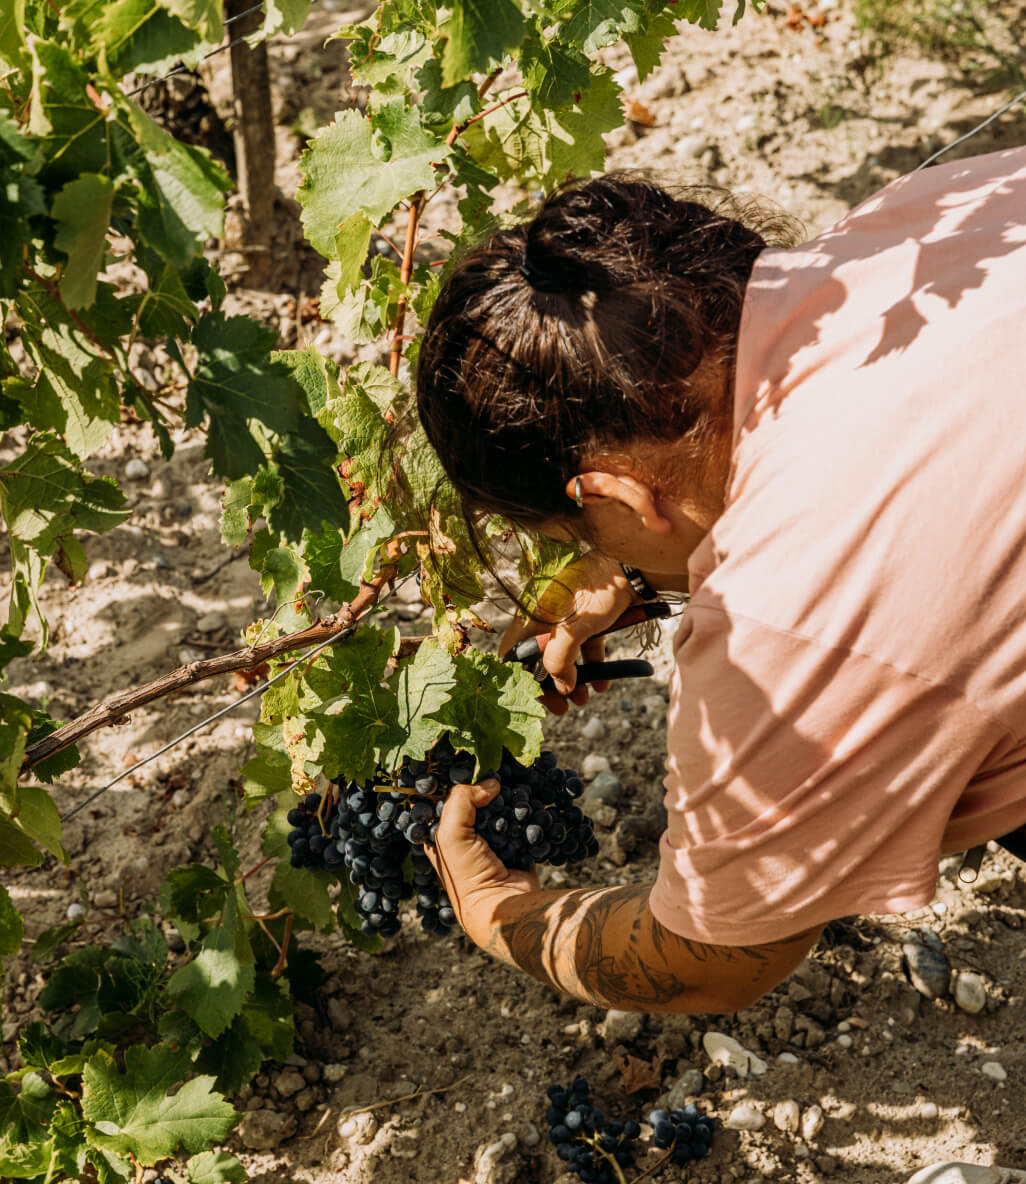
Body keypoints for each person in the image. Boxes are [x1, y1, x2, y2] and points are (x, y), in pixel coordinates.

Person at [415, 146, 1026, 1018]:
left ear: (618, 494)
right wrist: (637, 565)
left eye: (577, 530)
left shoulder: (786, 630)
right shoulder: (921, 225)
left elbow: (706, 957)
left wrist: (496, 913)